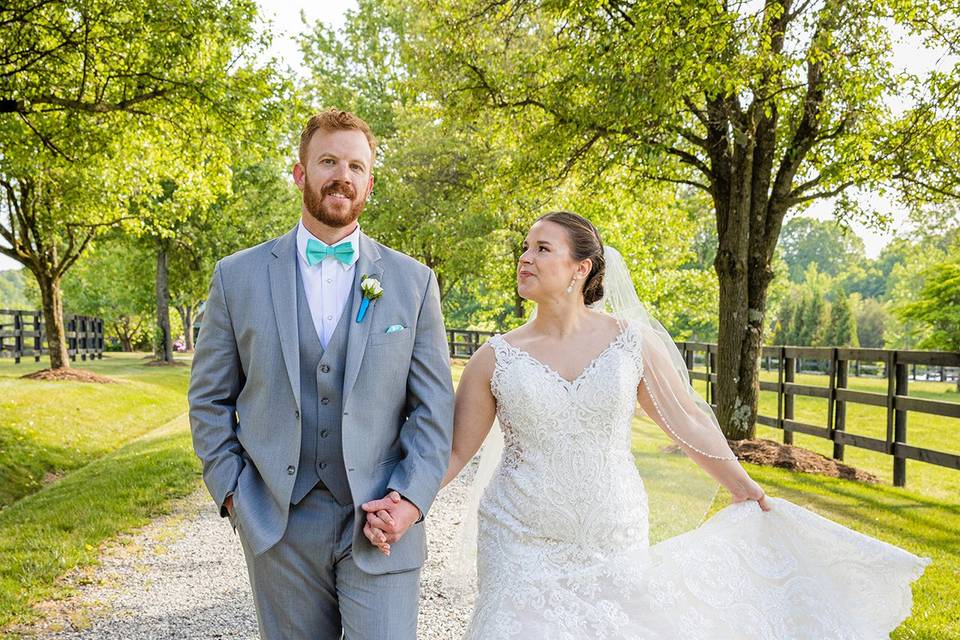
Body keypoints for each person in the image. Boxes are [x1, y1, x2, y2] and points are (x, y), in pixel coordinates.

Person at [366, 210, 929, 638]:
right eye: (524, 249)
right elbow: (456, 452)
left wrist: (743, 485)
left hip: (612, 534)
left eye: (542, 248)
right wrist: (403, 503)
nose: (526, 258)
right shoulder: (495, 357)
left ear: (581, 267)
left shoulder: (629, 344)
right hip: (519, 540)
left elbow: (686, 421)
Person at [189, 108, 454, 640]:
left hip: (381, 520)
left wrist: (409, 500)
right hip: (279, 524)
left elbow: (432, 408)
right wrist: (235, 494)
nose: (343, 176)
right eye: (328, 161)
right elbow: (209, 400)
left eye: (356, 166)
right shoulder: (236, 277)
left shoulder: (413, 282)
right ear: (299, 173)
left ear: (369, 182)